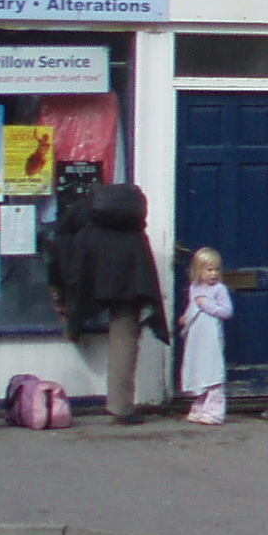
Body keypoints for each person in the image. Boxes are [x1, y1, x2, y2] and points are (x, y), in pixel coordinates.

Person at [63, 181, 169, 423]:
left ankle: (73, 331)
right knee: (125, 338)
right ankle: (121, 407)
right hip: (129, 276)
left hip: (90, 269)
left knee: (76, 307)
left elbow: (60, 244)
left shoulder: (83, 214)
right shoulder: (131, 224)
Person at [179, 245, 231, 425]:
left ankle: (215, 411)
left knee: (213, 370)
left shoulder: (219, 289)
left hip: (211, 337)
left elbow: (226, 311)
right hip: (197, 336)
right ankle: (199, 407)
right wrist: (186, 316)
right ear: (198, 270)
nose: (213, 274)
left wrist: (206, 305)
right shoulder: (194, 288)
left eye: (216, 269)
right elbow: (192, 306)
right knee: (199, 368)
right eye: (209, 269)